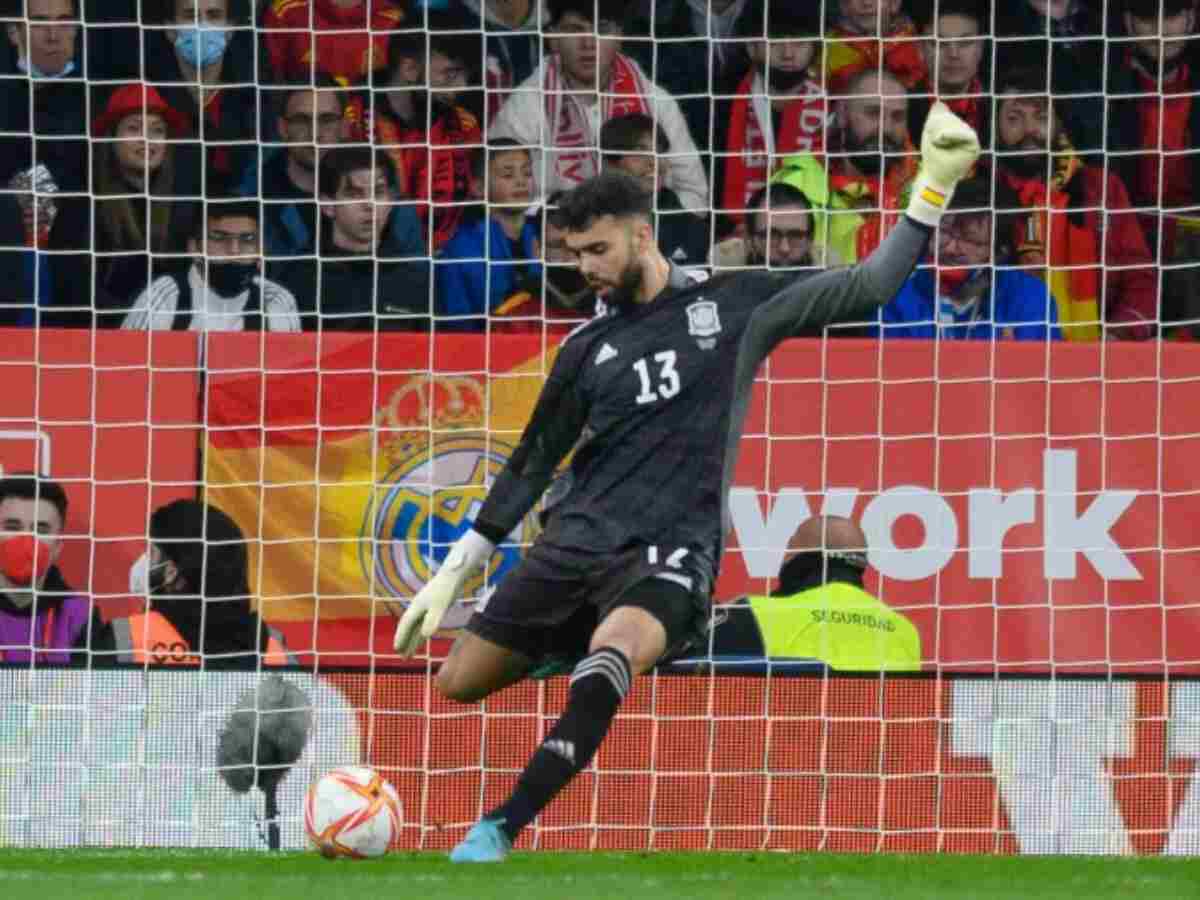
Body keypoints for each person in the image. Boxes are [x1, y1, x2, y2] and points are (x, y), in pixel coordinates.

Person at [393, 100, 980, 862]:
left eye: (597, 250)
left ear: (643, 234)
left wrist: (932, 185)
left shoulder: (734, 305)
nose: (585, 270)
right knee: (458, 682)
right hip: (575, 542)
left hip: (671, 549)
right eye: (574, 254)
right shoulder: (586, 346)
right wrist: (457, 568)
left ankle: (500, 825)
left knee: (616, 653)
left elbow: (866, 287)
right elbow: (536, 459)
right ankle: (575, 642)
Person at [489, 0, 709, 213]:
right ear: (552, 37)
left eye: (602, 29)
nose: (589, 43)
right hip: (559, 243)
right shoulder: (526, 104)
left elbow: (695, 195)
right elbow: (498, 197)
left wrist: (641, 229)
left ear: (619, 37)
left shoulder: (657, 102)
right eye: (575, 30)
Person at [994, 66, 1157, 341]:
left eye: (1042, 117)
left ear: (1060, 123)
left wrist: (1116, 335)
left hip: (1095, 355)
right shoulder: (980, 190)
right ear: (995, 129)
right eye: (1014, 118)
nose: (1030, 130)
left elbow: (1140, 281)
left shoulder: (1102, 189)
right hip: (1000, 355)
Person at [708, 516, 920, 671]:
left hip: (789, 730)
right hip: (877, 733)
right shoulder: (905, 630)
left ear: (799, 555)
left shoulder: (755, 613)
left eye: (789, 548)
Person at [1107, 0, 1200, 338]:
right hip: (1122, 245)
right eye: (1148, 18)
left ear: (1190, 19)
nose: (1161, 30)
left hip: (1191, 246)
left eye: (1172, 16)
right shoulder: (1103, 87)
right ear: (1130, 23)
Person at [875, 175, 1062, 340]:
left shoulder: (1030, 297)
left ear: (999, 253)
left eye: (970, 240)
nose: (951, 248)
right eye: (945, 233)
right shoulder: (896, 295)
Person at [117, 499, 289, 668]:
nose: (144, 559)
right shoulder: (275, 649)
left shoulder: (126, 640)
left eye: (151, 552)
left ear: (171, 572)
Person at [277, 146, 431, 330]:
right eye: (354, 194)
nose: (369, 204)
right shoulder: (297, 281)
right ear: (327, 205)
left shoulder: (417, 281)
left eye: (379, 192)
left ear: (391, 201)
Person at [361, 26, 484, 251]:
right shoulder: (355, 120)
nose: (463, 86)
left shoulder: (465, 125)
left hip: (448, 260)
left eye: (466, 75)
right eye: (451, 73)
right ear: (409, 68)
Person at [714, 3, 826, 231]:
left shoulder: (834, 100)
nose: (787, 53)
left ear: (816, 46)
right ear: (751, 46)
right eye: (774, 40)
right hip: (737, 235)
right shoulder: (721, 100)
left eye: (799, 40)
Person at [121, 199, 302, 332]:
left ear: (261, 249)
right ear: (193, 247)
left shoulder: (276, 302)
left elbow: (287, 382)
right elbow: (126, 375)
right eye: (219, 238)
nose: (234, 250)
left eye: (247, 239)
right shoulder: (164, 297)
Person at [0, 474, 114, 664]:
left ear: (58, 547)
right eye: (12, 527)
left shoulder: (80, 616)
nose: (27, 540)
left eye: (41, 530)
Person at [434, 140, 541, 332]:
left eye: (527, 173)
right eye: (508, 175)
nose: (521, 181)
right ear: (479, 188)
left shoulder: (548, 235)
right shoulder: (459, 250)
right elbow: (458, 327)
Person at [243, 82, 350, 258]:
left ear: (345, 128)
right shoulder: (250, 197)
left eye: (327, 120)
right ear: (283, 129)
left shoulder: (376, 196)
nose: (315, 134)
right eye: (301, 120)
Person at [599, 113, 709, 268]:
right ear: (608, 165)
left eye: (660, 151)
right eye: (639, 151)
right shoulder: (586, 224)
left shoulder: (692, 229)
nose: (654, 162)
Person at [260, 0, 407, 86]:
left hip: (373, 129)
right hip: (307, 129)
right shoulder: (285, 13)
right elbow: (273, 88)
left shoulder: (395, 20)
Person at [910, 0, 990, 145]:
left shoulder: (999, 109)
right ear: (920, 49)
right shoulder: (902, 108)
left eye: (965, 43)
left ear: (980, 48)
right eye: (939, 42)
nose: (953, 54)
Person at [825, 0, 927, 94]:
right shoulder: (829, 48)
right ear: (843, 5)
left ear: (894, 3)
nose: (867, 3)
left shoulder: (915, 44)